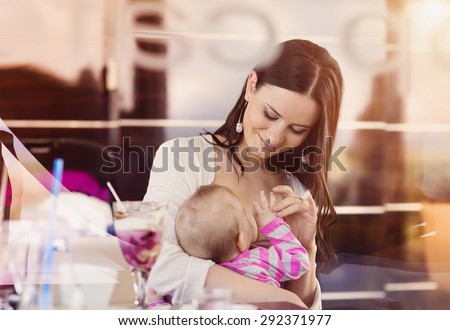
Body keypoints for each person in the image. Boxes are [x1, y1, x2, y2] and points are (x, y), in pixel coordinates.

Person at [144, 39, 344, 308]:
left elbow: (305, 312)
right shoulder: (182, 158)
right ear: (251, 86)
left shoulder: (293, 191)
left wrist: (307, 244)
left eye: (296, 130)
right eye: (270, 114)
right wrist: (278, 297)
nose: (274, 137)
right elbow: (157, 263)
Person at [175, 184, 310, 291]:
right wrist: (273, 226)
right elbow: (299, 261)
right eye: (244, 214)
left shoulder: (203, 281)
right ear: (241, 240)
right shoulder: (257, 261)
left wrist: (155, 303)